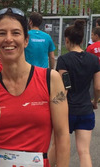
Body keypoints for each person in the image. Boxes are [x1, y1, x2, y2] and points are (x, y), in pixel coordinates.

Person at [0, 7, 70, 167]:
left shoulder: (50, 79)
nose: (9, 39)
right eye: (2, 33)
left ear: (26, 40)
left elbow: (62, 137)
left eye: (16, 33)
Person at [54, 19, 100, 167]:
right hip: (86, 109)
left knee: (57, 147)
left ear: (67, 40)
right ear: (81, 40)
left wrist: (55, 107)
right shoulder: (93, 60)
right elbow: (98, 87)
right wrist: (94, 101)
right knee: (84, 152)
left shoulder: (63, 60)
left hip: (67, 110)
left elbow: (64, 88)